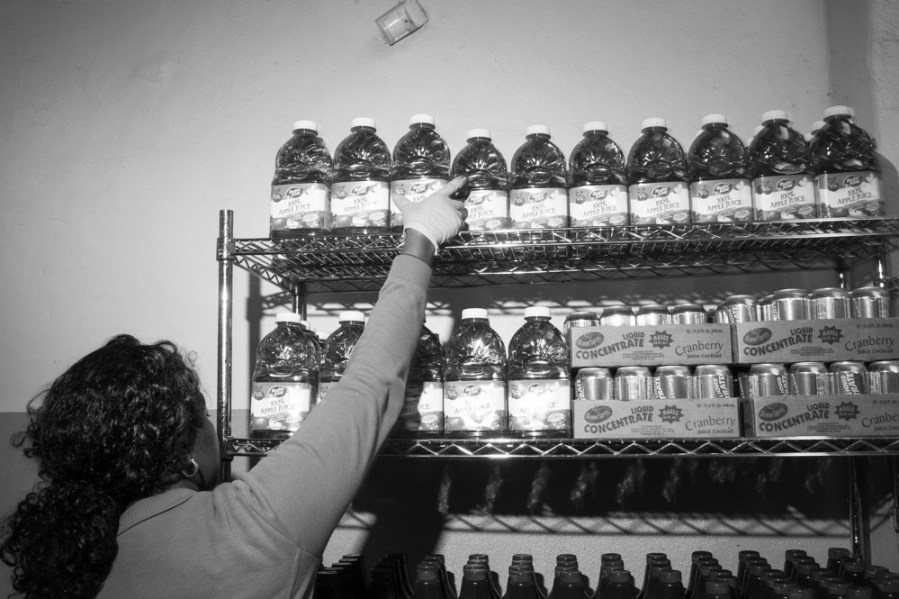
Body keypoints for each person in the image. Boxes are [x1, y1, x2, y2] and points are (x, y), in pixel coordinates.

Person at [0, 176, 468, 599]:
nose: (212, 426)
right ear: (183, 449)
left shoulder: (70, 560)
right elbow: (369, 384)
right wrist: (420, 237)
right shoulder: (255, 523)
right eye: (202, 413)